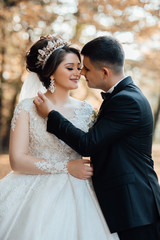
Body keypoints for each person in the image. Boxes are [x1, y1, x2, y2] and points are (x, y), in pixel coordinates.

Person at [34, 36, 160, 240]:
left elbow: (88, 144)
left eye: (86, 68)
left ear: (105, 72)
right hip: (127, 205)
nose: (81, 73)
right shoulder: (123, 95)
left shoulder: (127, 100)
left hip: (135, 207)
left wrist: (51, 115)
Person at [0, 35, 119, 240]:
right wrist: (66, 167)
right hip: (35, 194)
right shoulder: (27, 108)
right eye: (70, 67)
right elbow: (17, 161)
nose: (78, 73)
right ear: (51, 72)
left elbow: (92, 146)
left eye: (80, 67)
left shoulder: (86, 109)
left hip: (82, 192)